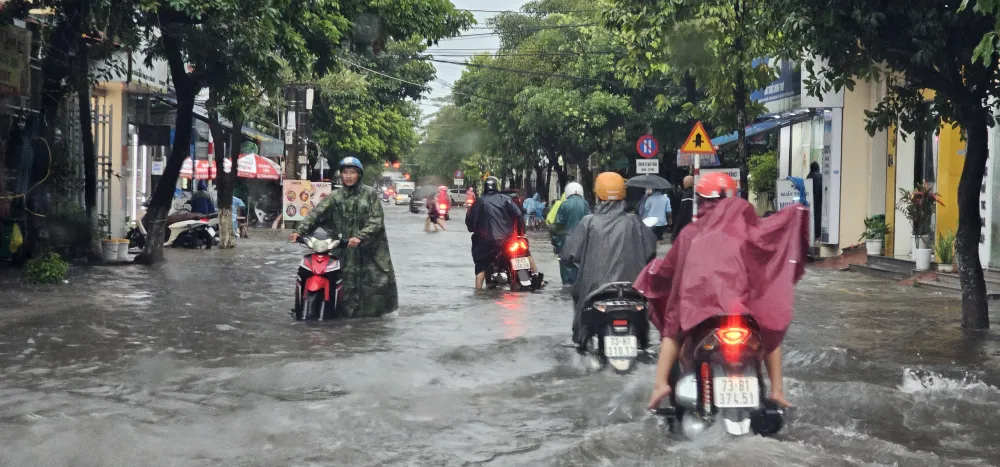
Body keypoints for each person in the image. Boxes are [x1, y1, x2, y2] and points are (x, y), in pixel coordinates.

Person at [636, 172, 809, 410]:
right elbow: (770, 258)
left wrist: (650, 274)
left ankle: (659, 385)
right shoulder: (751, 230)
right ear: (734, 197)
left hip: (701, 318)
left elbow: (668, 273)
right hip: (745, 317)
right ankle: (778, 390)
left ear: (700, 200)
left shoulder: (690, 234)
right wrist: (799, 211)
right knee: (769, 324)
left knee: (673, 326)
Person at [289, 157, 399, 318]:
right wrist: (299, 231)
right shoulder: (335, 197)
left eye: (352, 172)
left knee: (375, 285)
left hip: (369, 250)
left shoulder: (370, 194)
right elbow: (316, 214)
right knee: (342, 283)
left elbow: (376, 221)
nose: (348, 176)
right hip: (343, 248)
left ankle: (370, 321)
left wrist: (360, 237)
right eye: (345, 172)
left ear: (359, 175)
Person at [560, 172, 657, 348]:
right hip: (632, 292)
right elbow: (651, 253)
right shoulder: (635, 222)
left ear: (597, 195)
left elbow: (568, 255)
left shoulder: (588, 223)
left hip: (594, 293)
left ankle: (582, 341)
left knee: (581, 334)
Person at [465, 176, 541, 289]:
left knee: (480, 267)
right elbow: (519, 215)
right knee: (526, 253)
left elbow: (469, 223)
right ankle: (537, 276)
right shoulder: (506, 200)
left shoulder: (478, 203)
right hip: (508, 240)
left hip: (486, 243)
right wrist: (520, 233)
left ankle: (478, 291)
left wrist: (474, 229)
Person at [551, 182, 589, 286]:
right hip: (582, 240)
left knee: (566, 266)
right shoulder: (586, 204)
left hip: (565, 241)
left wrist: (554, 240)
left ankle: (567, 287)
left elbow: (558, 224)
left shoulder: (564, 204)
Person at [671, 176, 694, 240]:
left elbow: (682, 213)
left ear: (686, 183)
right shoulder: (696, 193)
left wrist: (675, 230)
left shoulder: (686, 195)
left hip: (687, 225)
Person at [807, 161, 823, 239]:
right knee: (818, 216)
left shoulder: (808, 177)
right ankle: (818, 234)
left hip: (811, 200)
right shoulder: (821, 176)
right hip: (819, 200)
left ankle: (812, 234)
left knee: (811, 217)